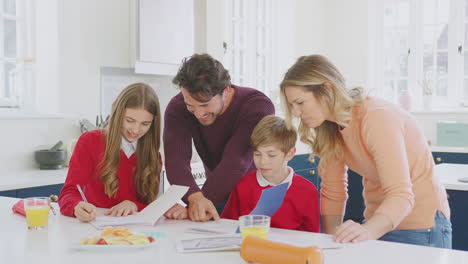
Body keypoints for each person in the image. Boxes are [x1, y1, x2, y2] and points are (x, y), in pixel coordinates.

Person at [280, 55, 451, 248]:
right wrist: (331, 244)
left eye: (300, 103)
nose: (295, 112)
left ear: (327, 89)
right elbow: (333, 191)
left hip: (420, 227)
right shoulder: (329, 128)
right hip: (378, 225)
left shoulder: (376, 117)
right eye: (292, 105)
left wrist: (368, 231)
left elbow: (401, 195)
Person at [163, 53, 275, 222]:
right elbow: (176, 161)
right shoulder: (178, 107)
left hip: (259, 200)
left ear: (226, 91)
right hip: (216, 196)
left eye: (205, 104)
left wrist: (198, 203)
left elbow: (236, 162)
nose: (198, 114)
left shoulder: (257, 106)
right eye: (190, 105)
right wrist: (195, 198)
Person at [59, 83, 185, 221]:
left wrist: (134, 205)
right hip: (96, 229)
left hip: (136, 234)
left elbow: (151, 205)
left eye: (145, 124)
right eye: (130, 121)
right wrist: (76, 206)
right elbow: (68, 193)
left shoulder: (154, 156)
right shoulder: (90, 141)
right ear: (118, 114)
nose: (136, 130)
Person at [221, 115, 320, 232]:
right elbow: (227, 227)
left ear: (290, 153)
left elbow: (313, 236)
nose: (263, 162)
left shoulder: (307, 191)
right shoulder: (243, 185)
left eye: (271, 155)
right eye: (257, 154)